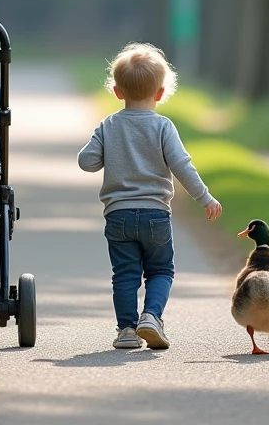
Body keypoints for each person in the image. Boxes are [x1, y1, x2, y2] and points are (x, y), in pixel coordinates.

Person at [77, 43, 222, 350]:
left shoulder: (109, 125)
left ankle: (127, 331)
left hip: (118, 216)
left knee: (125, 274)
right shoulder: (163, 126)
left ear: (117, 92)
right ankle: (152, 317)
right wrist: (205, 198)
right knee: (160, 270)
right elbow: (182, 167)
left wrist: (102, 140)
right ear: (160, 93)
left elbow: (86, 162)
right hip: (156, 214)